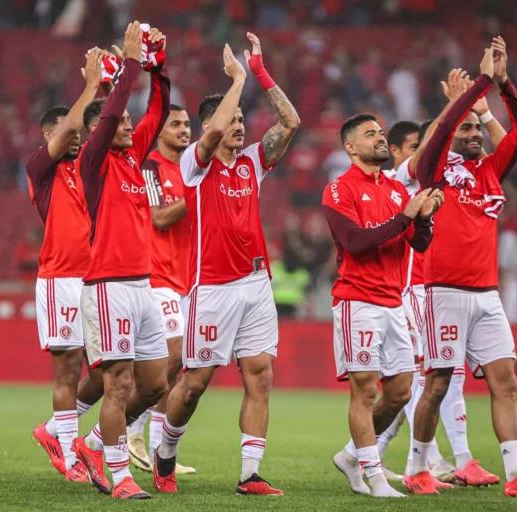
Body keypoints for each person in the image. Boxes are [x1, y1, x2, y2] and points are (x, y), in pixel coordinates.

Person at [406, 39, 517, 498]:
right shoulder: (433, 168)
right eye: (467, 128)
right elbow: (449, 123)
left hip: (486, 294)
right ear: (452, 133)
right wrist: (473, 89)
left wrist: (503, 82)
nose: (475, 133)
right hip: (443, 291)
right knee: (436, 383)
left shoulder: (490, 171)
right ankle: (417, 467)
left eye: (479, 128)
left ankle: (516, 475)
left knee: (504, 381)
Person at [152, 33, 299, 496]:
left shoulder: (252, 162)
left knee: (260, 373)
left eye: (241, 120)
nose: (239, 126)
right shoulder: (195, 166)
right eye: (232, 120)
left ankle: (249, 474)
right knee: (194, 383)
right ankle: (166, 453)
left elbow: (290, 121)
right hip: (212, 288)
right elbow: (212, 133)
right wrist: (234, 80)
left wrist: (256, 71)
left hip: (256, 283)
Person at [378, 73, 506, 486]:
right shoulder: (402, 176)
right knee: (432, 378)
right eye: (415, 145)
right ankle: (447, 460)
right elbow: (434, 147)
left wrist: (472, 107)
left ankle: (374, 455)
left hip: (426, 284)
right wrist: (456, 105)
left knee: (423, 380)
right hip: (415, 286)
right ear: (398, 151)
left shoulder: (445, 170)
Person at [70, 22, 171, 500]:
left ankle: (91, 444)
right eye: (121, 123)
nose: (131, 126)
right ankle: (120, 478)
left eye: (133, 124)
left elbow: (159, 108)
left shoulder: (133, 161)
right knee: (118, 384)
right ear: (98, 131)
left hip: (142, 286)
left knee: (155, 383)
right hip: (108, 286)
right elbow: (111, 116)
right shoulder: (92, 161)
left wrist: (159, 68)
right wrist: (129, 64)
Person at [324, 112, 442, 498]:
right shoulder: (339, 189)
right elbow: (355, 241)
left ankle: (350, 455)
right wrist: (405, 215)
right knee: (365, 392)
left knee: (401, 392)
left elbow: (418, 243)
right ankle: (374, 479)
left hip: (394, 303)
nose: (379, 137)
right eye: (369, 133)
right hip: (357, 300)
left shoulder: (394, 189)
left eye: (380, 132)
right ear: (351, 147)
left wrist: (423, 219)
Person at [28, 48, 103, 484]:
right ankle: (71, 458)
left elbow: (96, 127)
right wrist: (92, 86)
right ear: (47, 136)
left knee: (111, 369)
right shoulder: (41, 168)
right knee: (69, 369)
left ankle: (56, 431)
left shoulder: (90, 169)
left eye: (76, 132)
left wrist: (110, 85)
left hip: (96, 279)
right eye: (62, 132)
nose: (72, 137)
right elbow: (77, 123)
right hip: (60, 278)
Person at [125, 105, 196, 475]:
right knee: (170, 358)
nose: (185, 130)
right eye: (176, 124)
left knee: (177, 366)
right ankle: (127, 431)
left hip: (185, 278)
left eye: (187, 124)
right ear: (159, 131)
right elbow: (159, 216)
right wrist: (196, 194)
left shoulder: (189, 169)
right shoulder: (150, 166)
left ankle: (156, 451)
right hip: (157, 276)